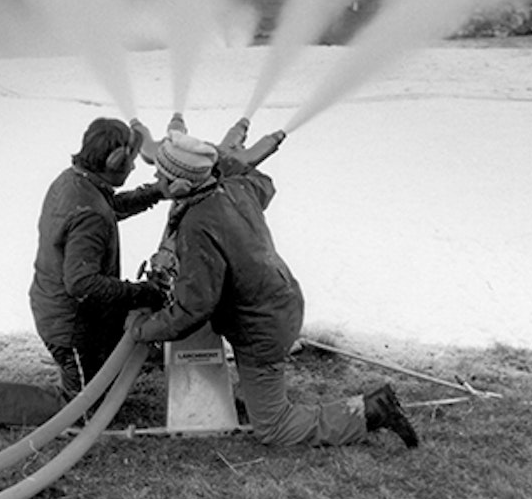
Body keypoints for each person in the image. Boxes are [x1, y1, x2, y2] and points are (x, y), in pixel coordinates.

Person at [126, 129, 419, 448]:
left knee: (274, 427)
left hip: (260, 327)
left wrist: (142, 330)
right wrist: (216, 159)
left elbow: (194, 308)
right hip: (281, 301)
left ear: (181, 185)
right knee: (263, 392)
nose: (155, 176)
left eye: (162, 174)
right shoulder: (236, 188)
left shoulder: (197, 225)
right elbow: (265, 182)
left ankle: (373, 412)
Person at [30, 117, 168, 402]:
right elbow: (82, 283)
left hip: (60, 310)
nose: (132, 167)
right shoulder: (90, 213)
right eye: (130, 162)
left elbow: (109, 206)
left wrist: (156, 192)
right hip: (71, 327)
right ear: (115, 163)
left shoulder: (74, 180)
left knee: (108, 385)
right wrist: (141, 293)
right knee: (85, 409)